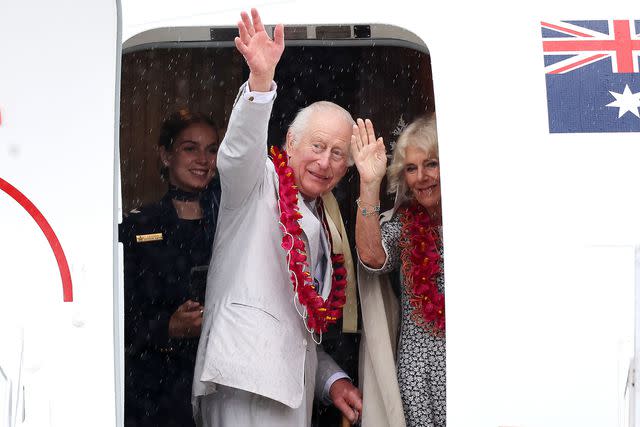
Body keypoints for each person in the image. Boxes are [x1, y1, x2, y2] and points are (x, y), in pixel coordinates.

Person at [192, 8, 362, 427]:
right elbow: (236, 153)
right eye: (317, 146)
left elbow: (297, 326)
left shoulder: (324, 218)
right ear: (289, 142)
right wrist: (261, 83)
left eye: (338, 153)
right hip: (247, 382)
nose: (325, 162)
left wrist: (332, 380)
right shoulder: (257, 181)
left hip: (290, 392)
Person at [120, 110, 221, 427]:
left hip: (221, 382)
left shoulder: (231, 223)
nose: (203, 159)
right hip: (156, 391)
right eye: (190, 148)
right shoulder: (138, 226)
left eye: (212, 149)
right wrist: (168, 327)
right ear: (166, 155)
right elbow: (119, 317)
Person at [352, 114, 445, 427]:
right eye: (411, 168)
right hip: (420, 377)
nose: (421, 177)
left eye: (431, 163)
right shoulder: (405, 225)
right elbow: (371, 257)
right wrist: (369, 184)